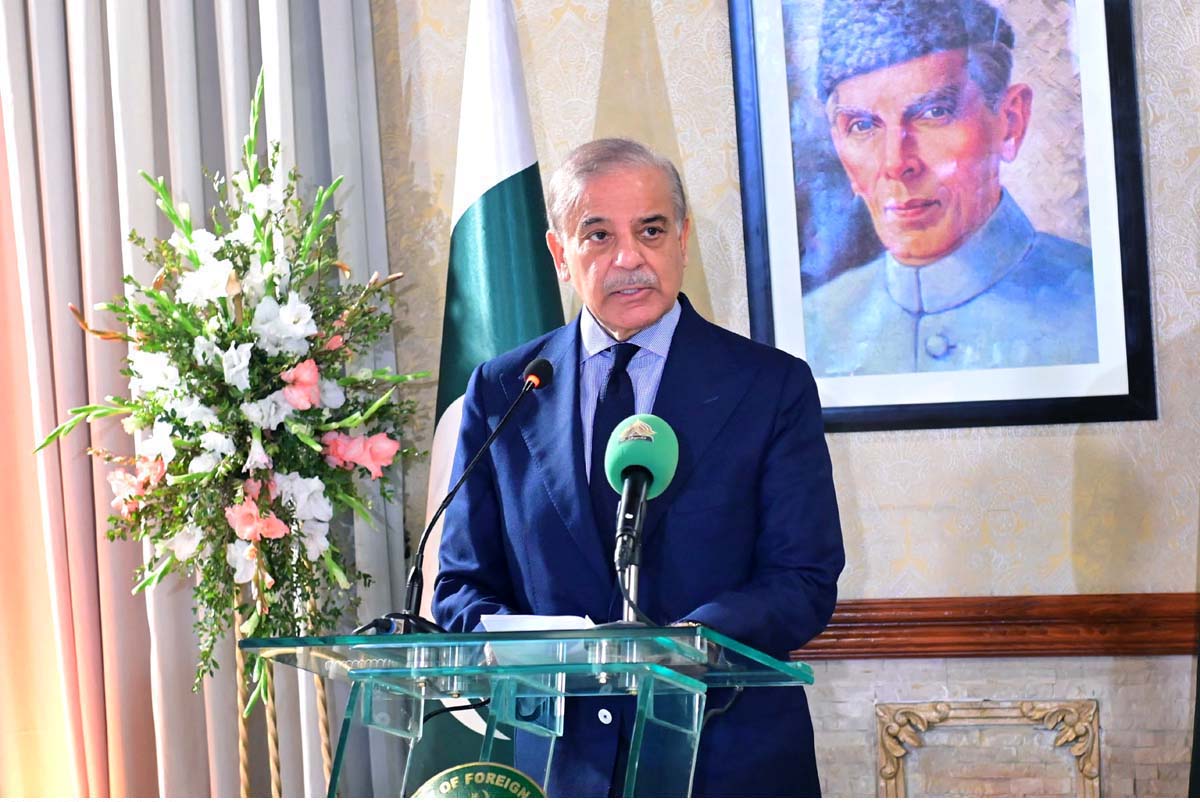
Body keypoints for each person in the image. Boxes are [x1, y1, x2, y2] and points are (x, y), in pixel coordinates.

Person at [433, 138, 844, 797]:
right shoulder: (504, 391)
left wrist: (680, 644)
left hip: (729, 762)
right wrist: (527, 641)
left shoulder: (771, 388)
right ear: (559, 255)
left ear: (681, 237)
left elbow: (803, 581)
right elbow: (459, 587)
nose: (630, 259)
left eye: (650, 230)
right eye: (598, 235)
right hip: (563, 773)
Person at [802, 0, 1098, 377]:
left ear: (1010, 121)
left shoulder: (1101, 309)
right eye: (862, 126)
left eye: (934, 113)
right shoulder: (812, 332)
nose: (896, 163)